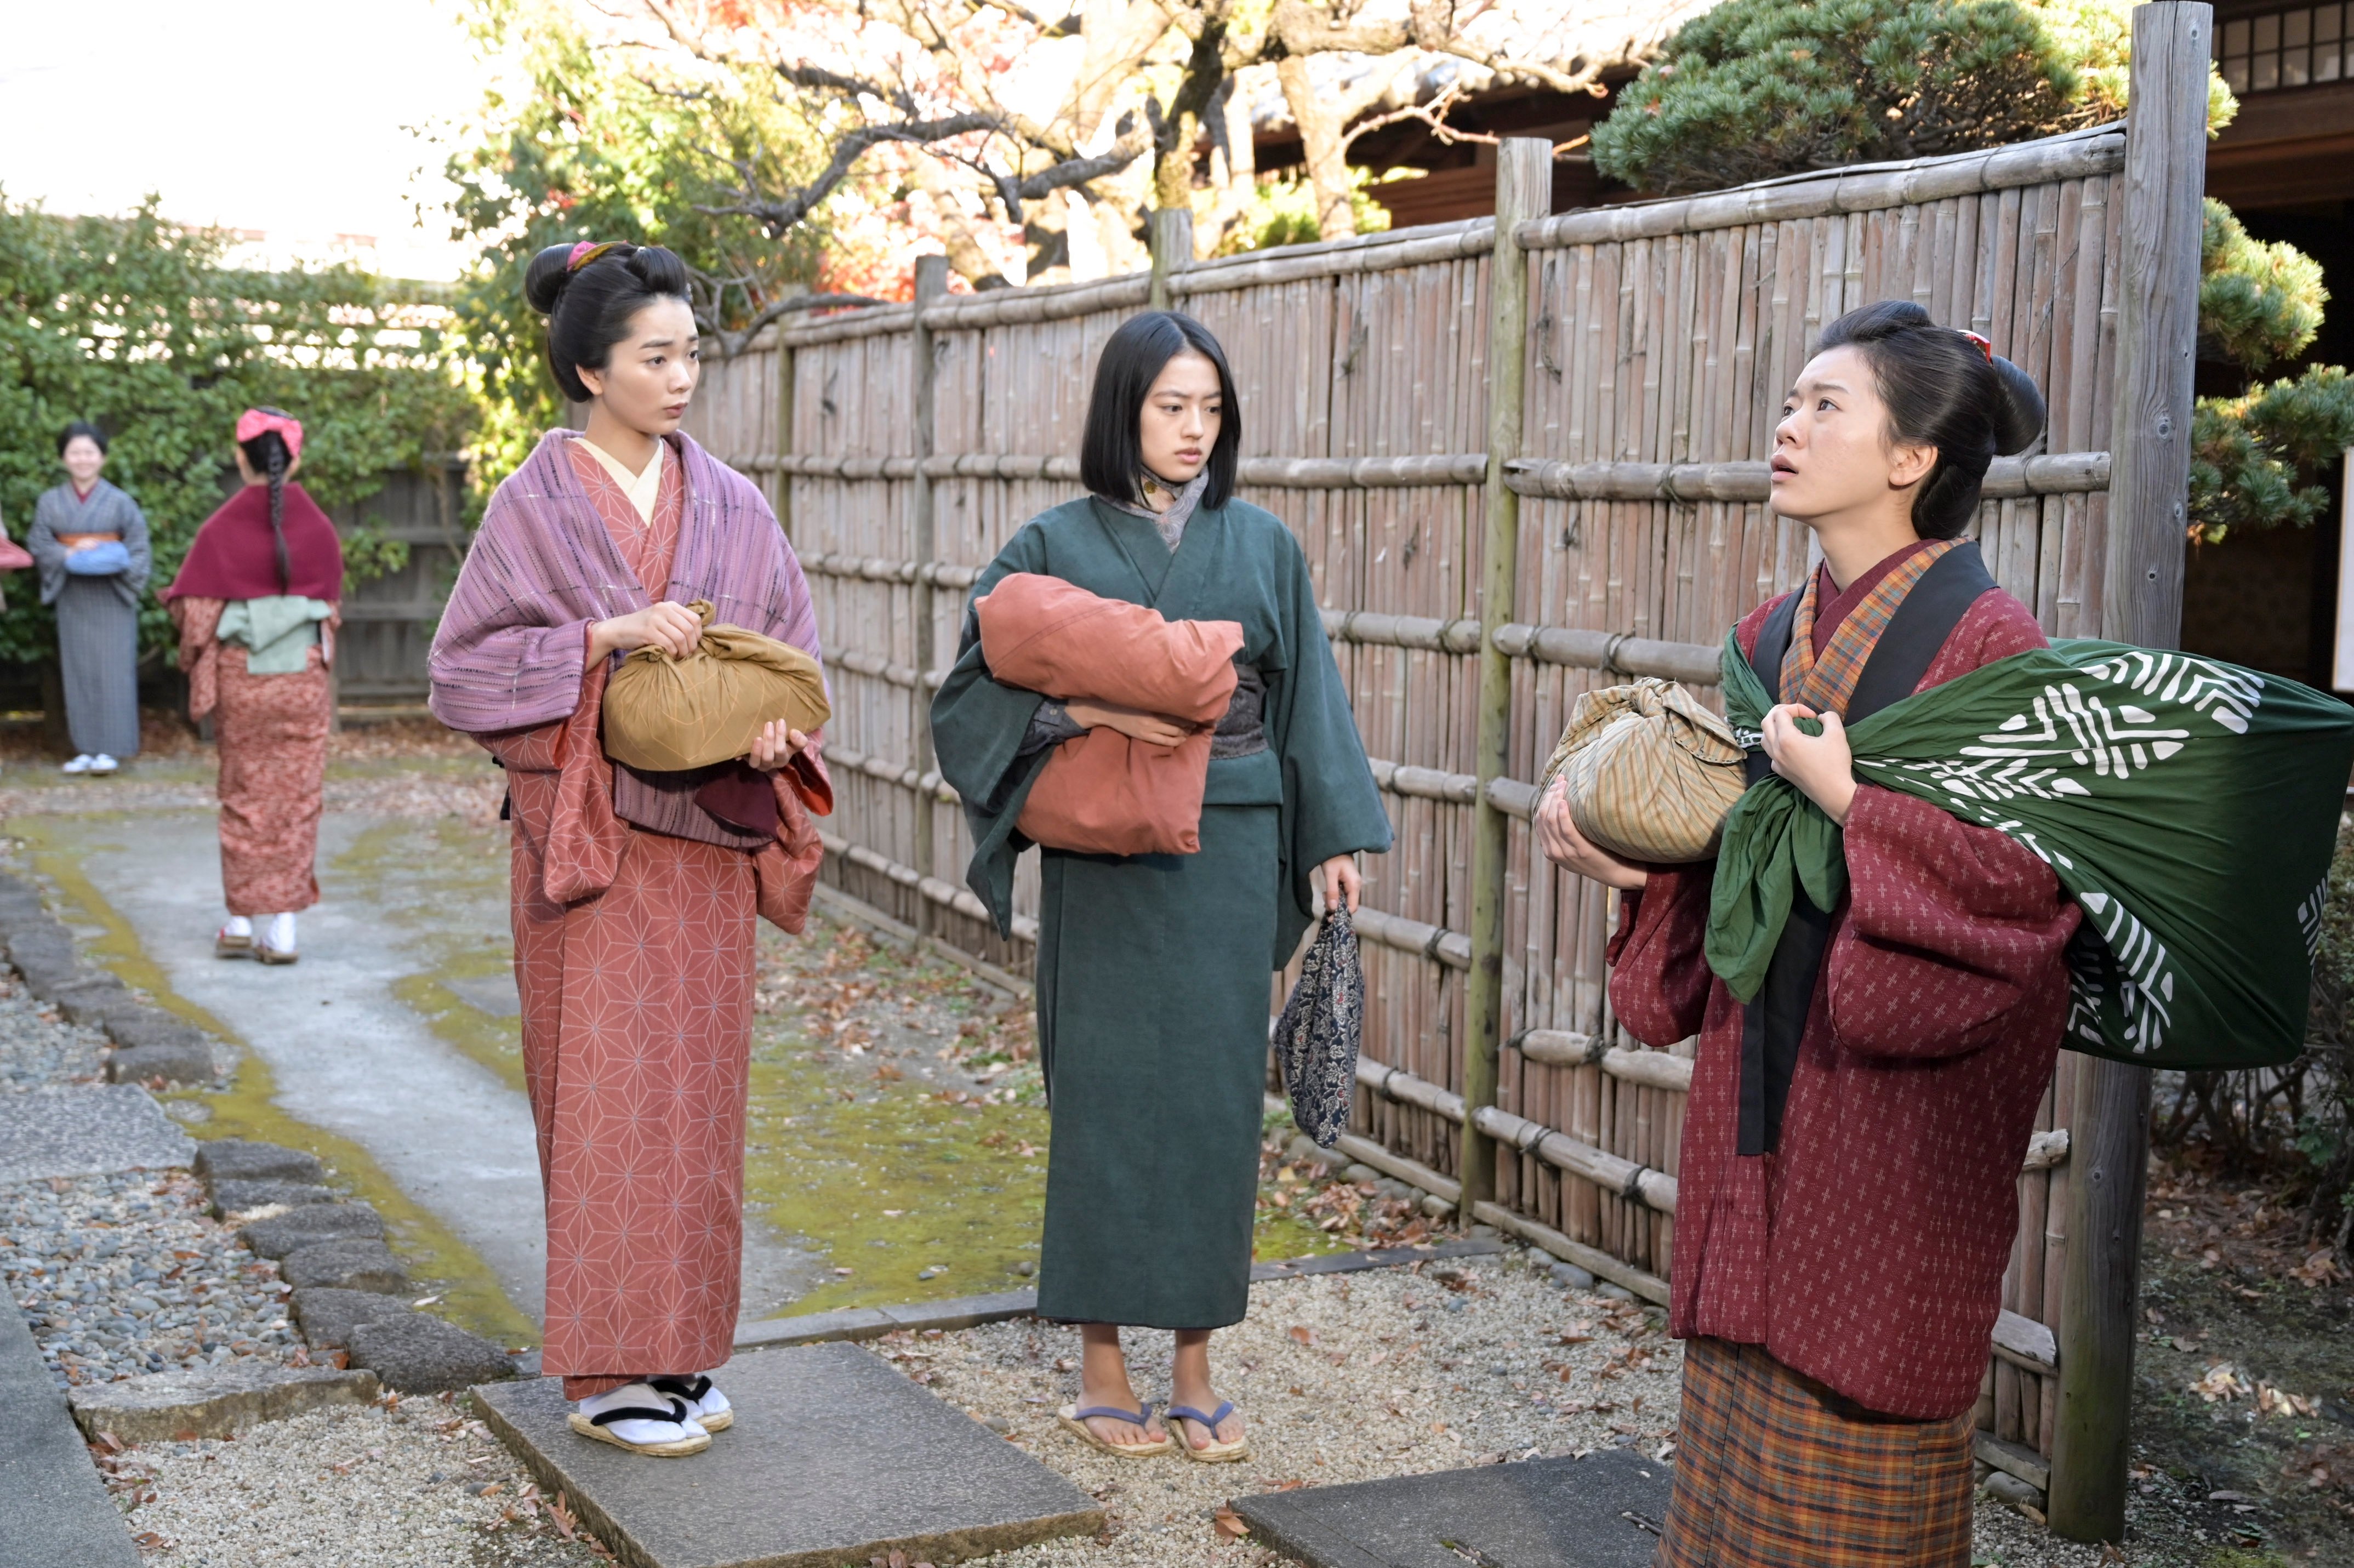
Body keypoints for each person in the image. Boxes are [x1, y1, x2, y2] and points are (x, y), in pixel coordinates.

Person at [1536, 300, 2071, 1567]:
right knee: (1730, 1467)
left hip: (1893, 1114)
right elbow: (1720, 851)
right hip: (1759, 1078)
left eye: (1824, 404)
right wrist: (1634, 862)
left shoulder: (1993, 647)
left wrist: (1844, 803)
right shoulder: (1767, 639)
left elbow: (2021, 892)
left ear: (1909, 456)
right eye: (1787, 400)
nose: (1786, 425)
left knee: (1858, 1461)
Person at [931, 311, 1392, 1461]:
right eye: (1169, 407)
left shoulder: (1263, 544)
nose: (1193, 430)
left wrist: (1329, 832)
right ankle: (1099, 1357)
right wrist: (1091, 710)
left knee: (1211, 1101)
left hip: (1231, 852)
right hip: (1105, 857)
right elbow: (966, 696)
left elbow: (1305, 705)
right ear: (1120, 411)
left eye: (1210, 410)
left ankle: (1192, 1361)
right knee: (1096, 1091)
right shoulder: (1049, 541)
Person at [428, 240, 831, 1459]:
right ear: (590, 368)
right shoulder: (532, 503)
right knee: (603, 1101)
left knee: (696, 1104)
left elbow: (790, 647)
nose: (681, 377)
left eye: (690, 354)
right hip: (588, 844)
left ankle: (680, 1349)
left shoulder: (732, 499)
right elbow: (457, 669)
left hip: (705, 838)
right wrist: (601, 633)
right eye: (655, 356)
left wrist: (770, 732)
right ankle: (607, 1369)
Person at [161, 409, 345, 965]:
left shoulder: (219, 530)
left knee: (243, 795)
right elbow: (331, 610)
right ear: (297, 459)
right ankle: (283, 929)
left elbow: (195, 613)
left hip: (244, 680)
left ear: (241, 457)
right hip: (301, 681)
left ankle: (241, 919)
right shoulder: (318, 528)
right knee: (295, 799)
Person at [29, 423, 150, 774]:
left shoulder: (120, 502)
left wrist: (112, 556)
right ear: (64, 458)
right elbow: (39, 543)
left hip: (112, 593)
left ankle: (111, 749)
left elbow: (139, 547)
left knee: (114, 671)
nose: (82, 459)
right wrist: (67, 554)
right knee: (78, 669)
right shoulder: (50, 502)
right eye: (75, 452)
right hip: (73, 593)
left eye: (89, 452)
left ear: (103, 457)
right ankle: (84, 747)